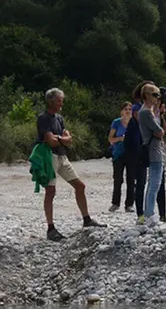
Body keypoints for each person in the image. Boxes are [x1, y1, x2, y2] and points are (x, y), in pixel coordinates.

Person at [37, 88, 106, 241]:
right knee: (50, 191)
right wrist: (62, 139)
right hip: (50, 157)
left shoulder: (59, 118)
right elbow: (51, 141)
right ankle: (50, 228)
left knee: (80, 186)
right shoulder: (43, 118)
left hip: (62, 156)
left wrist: (59, 138)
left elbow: (67, 139)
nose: (62, 102)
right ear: (51, 101)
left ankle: (87, 219)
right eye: (59, 100)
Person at [129, 81, 166, 223]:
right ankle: (149, 213)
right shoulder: (145, 112)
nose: (158, 97)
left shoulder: (150, 111)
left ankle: (149, 213)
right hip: (153, 149)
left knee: (154, 182)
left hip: (156, 148)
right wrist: (159, 130)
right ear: (146, 95)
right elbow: (159, 131)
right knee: (154, 182)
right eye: (155, 95)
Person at [108, 102, 134, 213]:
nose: (128, 111)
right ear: (121, 111)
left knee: (131, 179)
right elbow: (110, 139)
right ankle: (115, 203)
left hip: (131, 154)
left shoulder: (135, 123)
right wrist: (120, 138)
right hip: (118, 154)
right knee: (118, 179)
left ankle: (129, 204)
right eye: (126, 109)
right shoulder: (116, 122)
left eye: (130, 109)